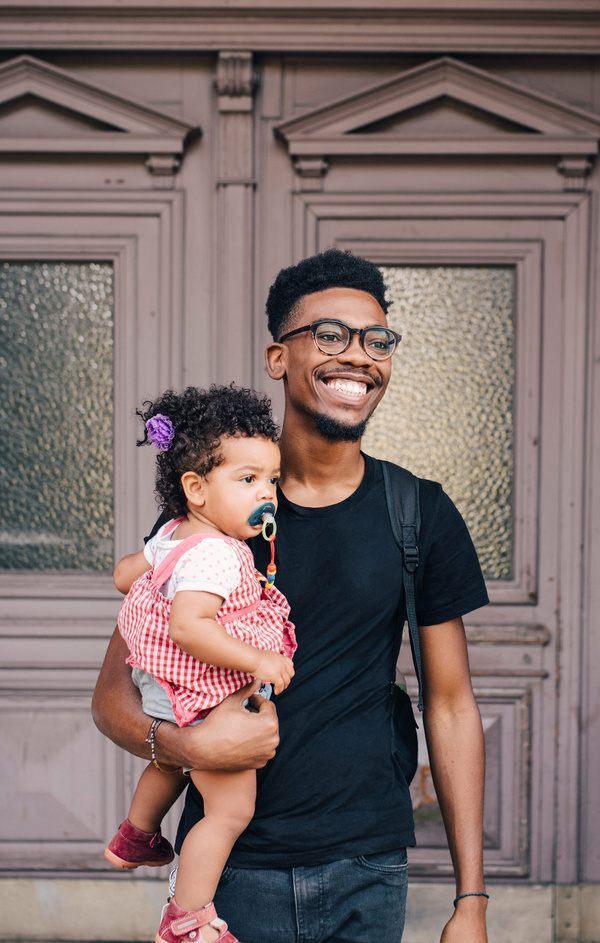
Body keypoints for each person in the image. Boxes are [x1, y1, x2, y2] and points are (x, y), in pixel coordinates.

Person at [93, 248, 490, 943]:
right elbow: (114, 698)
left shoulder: (417, 511)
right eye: (331, 335)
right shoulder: (204, 521)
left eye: (377, 339)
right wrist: (189, 743)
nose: (359, 356)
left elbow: (451, 703)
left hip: (367, 865)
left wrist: (472, 899)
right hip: (230, 876)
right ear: (278, 357)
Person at [102, 385, 296, 943]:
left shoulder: (172, 533)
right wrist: (261, 656)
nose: (267, 494)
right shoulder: (215, 552)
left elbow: (122, 576)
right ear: (196, 488)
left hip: (159, 682)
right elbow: (191, 626)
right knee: (230, 811)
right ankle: (187, 917)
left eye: (272, 480)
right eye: (248, 480)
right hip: (198, 692)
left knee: (170, 763)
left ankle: (134, 836)